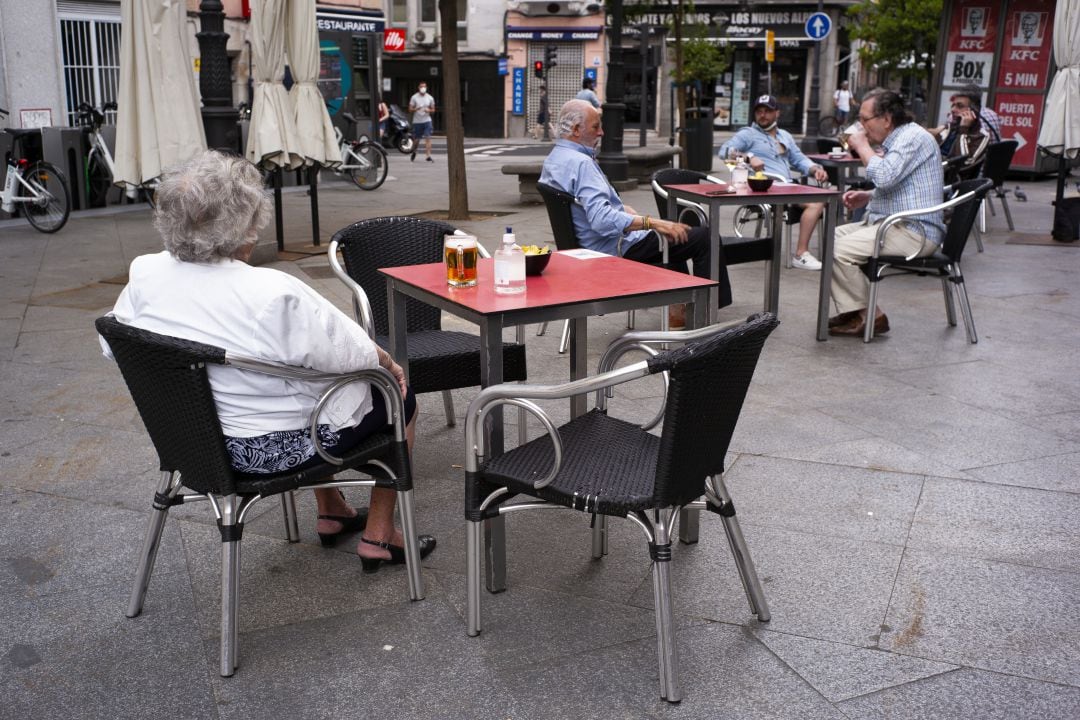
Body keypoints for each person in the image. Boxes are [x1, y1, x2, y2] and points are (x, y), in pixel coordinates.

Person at [99, 150, 436, 571]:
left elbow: (116, 344)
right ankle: (381, 534)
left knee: (301, 387)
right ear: (246, 223)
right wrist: (387, 362)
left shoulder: (145, 273)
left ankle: (332, 509)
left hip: (187, 443)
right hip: (266, 452)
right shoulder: (271, 292)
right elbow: (352, 354)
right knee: (396, 398)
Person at [539, 99, 731, 327]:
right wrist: (652, 222)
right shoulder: (582, 164)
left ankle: (679, 308)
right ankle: (705, 315)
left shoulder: (554, 158)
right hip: (613, 250)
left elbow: (584, 207)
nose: (602, 132)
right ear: (576, 130)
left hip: (582, 249)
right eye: (595, 126)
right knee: (704, 237)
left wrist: (621, 209)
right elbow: (601, 220)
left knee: (674, 235)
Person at [828, 90, 946, 337]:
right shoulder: (901, 139)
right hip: (893, 223)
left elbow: (884, 176)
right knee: (830, 238)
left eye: (865, 120)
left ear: (887, 118)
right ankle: (856, 311)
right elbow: (904, 187)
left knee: (839, 250)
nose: (862, 126)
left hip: (914, 231)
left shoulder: (911, 137)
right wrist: (868, 196)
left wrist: (861, 146)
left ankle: (872, 315)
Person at [719, 94, 830, 270]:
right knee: (817, 202)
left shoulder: (785, 136)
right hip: (766, 187)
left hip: (787, 186)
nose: (763, 115)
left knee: (828, 196)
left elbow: (799, 159)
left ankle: (831, 251)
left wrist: (815, 169)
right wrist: (749, 157)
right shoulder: (748, 134)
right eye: (759, 111)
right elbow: (725, 151)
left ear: (777, 113)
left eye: (767, 111)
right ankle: (801, 255)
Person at [933, 89, 992, 182]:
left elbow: (965, 163)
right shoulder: (951, 128)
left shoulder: (981, 135)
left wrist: (963, 129)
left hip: (950, 182)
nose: (953, 110)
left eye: (959, 106)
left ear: (973, 112)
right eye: (953, 105)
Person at [408, 81, 435, 162]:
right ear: (418, 88)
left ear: (426, 88)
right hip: (417, 121)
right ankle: (414, 151)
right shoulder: (414, 97)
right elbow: (410, 109)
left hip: (427, 120)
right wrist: (416, 109)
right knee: (416, 140)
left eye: (424, 87)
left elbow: (433, 110)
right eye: (421, 87)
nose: (423, 88)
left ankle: (428, 156)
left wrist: (429, 110)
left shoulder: (430, 98)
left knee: (428, 137)